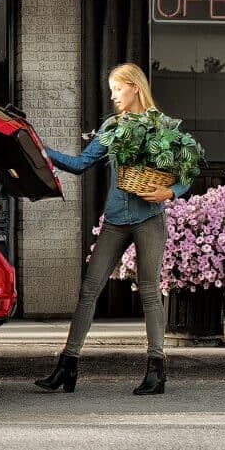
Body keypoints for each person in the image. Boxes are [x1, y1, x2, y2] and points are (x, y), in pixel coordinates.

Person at [34, 63, 192, 396]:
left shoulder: (162, 127)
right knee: (89, 289)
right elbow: (79, 164)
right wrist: (40, 150)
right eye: (111, 90)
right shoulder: (113, 127)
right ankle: (67, 365)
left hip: (150, 217)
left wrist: (170, 191)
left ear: (135, 87)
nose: (113, 96)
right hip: (116, 219)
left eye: (117, 89)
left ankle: (156, 371)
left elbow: (186, 171)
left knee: (149, 291)